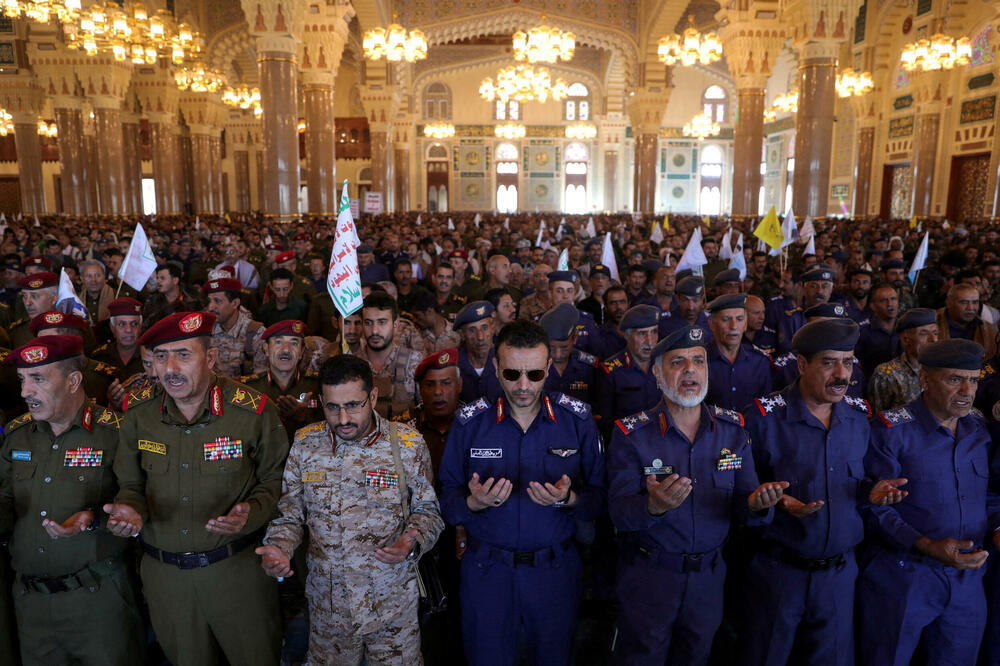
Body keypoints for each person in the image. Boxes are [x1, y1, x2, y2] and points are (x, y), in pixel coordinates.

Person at [104, 311, 288, 666]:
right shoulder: (139, 413)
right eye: (161, 357)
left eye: (183, 355)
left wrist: (252, 511)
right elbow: (130, 483)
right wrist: (129, 509)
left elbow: (277, 480)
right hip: (167, 580)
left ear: (212, 357)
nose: (170, 368)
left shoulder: (251, 412)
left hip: (236, 575)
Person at [609, 324, 787, 664]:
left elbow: (745, 502)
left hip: (709, 578)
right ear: (658, 375)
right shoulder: (632, 435)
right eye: (677, 362)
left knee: (696, 657)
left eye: (699, 361)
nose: (690, 370)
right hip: (651, 577)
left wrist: (757, 505)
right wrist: (654, 506)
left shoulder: (732, 430)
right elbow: (618, 513)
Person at [438, 320, 607, 666]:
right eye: (513, 374)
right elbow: (446, 501)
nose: (524, 385)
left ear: (549, 367)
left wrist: (569, 499)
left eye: (535, 374)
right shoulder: (471, 422)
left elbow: (600, 500)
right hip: (487, 572)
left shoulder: (576, 420)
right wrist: (473, 503)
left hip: (554, 571)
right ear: (496, 367)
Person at [256, 354, 443, 666]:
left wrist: (411, 541)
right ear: (321, 402)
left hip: (392, 607)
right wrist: (279, 547)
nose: (343, 418)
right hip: (330, 611)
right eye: (333, 407)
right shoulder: (306, 444)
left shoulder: (407, 444)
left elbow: (428, 511)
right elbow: (290, 514)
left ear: (372, 397)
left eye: (353, 405)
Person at [0, 335, 143, 665]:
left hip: (97, 602)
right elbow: (5, 499)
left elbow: (136, 495)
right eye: (22, 379)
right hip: (31, 606)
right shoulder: (17, 436)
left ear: (74, 380)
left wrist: (98, 518)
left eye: (38, 379)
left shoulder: (116, 433)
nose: (25, 392)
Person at [741, 317, 874, 666]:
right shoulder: (762, 418)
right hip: (779, 573)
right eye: (829, 363)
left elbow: (861, 486)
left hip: (839, 576)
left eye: (848, 362)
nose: (842, 375)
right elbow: (736, 492)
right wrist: (769, 501)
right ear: (802, 364)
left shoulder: (859, 418)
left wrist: (875, 492)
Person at [858, 339, 994, 666]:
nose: (967, 391)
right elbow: (873, 506)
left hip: (966, 579)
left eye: (973, 380)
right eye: (954, 379)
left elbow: (987, 496)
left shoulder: (979, 431)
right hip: (902, 575)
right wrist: (925, 544)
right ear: (923, 379)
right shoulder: (891, 431)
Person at [240, 319, 322, 444]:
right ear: (266, 349)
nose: (286, 350)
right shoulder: (249, 388)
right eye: (278, 342)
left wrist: (306, 417)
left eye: (294, 343)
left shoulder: (318, 385)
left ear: (301, 352)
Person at [597, 305, 663, 435]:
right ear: (626, 335)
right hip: (628, 441)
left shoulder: (665, 365)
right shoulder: (610, 371)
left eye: (654, 332)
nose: (650, 341)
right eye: (642, 333)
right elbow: (606, 423)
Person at [355, 292, 421, 419]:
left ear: (395, 325)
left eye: (382, 322)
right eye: (368, 323)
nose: (374, 330)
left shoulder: (413, 361)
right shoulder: (352, 364)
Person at [704, 293, 772, 411]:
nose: (734, 326)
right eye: (726, 319)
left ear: (745, 324)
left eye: (739, 319)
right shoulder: (699, 361)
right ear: (711, 323)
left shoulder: (761, 362)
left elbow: (766, 409)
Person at [868, 308, 938, 413]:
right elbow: (878, 418)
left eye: (935, 333)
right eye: (923, 333)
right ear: (905, 340)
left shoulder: (942, 370)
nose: (933, 339)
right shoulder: (886, 374)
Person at [203, 276, 267, 379]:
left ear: (235, 303)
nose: (211, 307)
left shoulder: (255, 333)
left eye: (217, 301)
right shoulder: (205, 329)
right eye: (209, 301)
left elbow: (261, 379)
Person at [540, 302, 599, 405]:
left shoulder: (589, 366)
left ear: (575, 338)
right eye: (551, 348)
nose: (558, 354)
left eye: (564, 348)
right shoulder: (536, 365)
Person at [91, 297, 145, 405]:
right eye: (121, 324)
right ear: (112, 328)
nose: (128, 330)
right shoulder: (99, 357)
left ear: (140, 327)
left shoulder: (151, 357)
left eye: (134, 324)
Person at [454, 300, 503, 404]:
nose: (480, 337)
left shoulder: (505, 360)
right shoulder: (453, 366)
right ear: (462, 334)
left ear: (492, 329)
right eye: (472, 330)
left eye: (484, 328)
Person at [935, 283, 998, 359]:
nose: (970, 308)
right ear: (949, 303)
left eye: (975, 302)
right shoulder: (933, 326)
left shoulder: (988, 329)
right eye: (964, 302)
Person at [10, 271, 59, 348]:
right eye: (24, 296)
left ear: (53, 298)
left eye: (34, 296)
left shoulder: (69, 327)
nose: (27, 303)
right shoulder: (18, 331)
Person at [658, 276, 713, 344]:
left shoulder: (711, 322)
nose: (690, 307)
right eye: (685, 300)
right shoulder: (664, 324)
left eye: (695, 300)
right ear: (677, 299)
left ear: (702, 299)